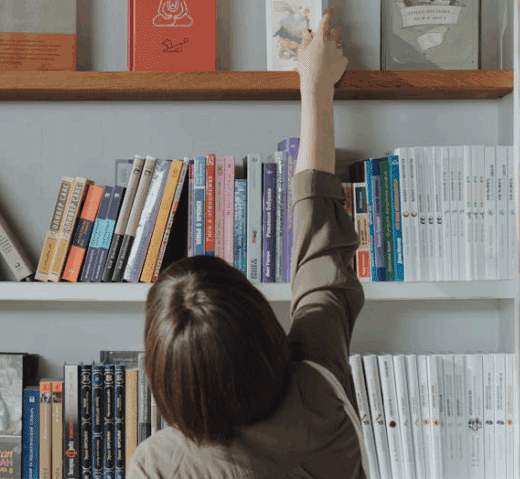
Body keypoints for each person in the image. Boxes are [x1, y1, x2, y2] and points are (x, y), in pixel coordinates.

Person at [128, 9, 366, 479]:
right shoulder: (320, 389)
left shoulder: (157, 465)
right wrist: (315, 88)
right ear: (262, 326)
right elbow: (320, 249)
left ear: (167, 381)